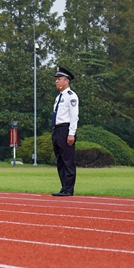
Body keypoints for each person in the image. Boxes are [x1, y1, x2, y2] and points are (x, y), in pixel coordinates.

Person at [51, 66, 79, 197]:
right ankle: (64, 187)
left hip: (65, 129)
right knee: (60, 161)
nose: (57, 81)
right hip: (57, 130)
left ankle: (69, 188)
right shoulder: (59, 97)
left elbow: (74, 116)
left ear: (66, 81)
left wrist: (71, 133)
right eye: (56, 79)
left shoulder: (71, 96)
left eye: (59, 79)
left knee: (68, 160)